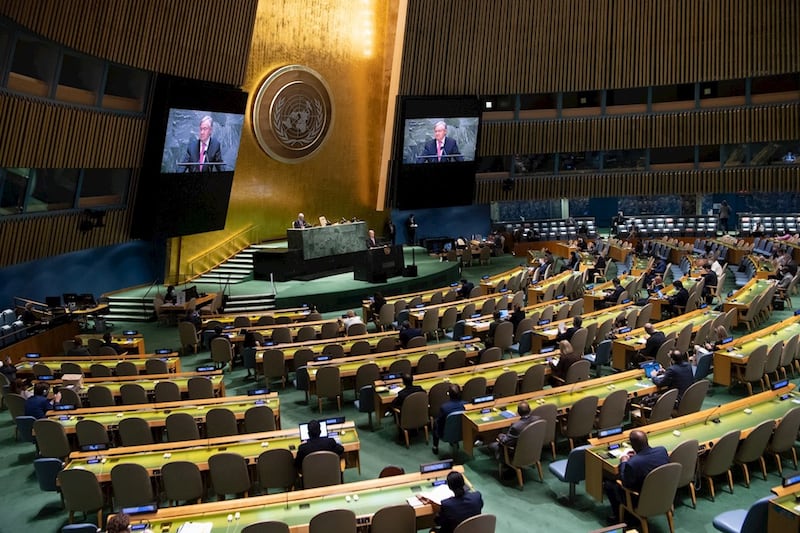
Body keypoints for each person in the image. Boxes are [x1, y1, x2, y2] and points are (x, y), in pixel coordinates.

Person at [602, 430, 669, 523]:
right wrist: (637, 456)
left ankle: (620, 517)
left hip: (642, 501)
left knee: (609, 485)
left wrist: (624, 462)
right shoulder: (662, 450)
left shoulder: (633, 463)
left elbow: (625, 482)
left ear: (632, 445)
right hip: (665, 495)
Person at [432, 384, 467, 455]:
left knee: (435, 422)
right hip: (464, 433)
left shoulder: (444, 407)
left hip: (446, 435)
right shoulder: (466, 405)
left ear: (449, 394)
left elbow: (440, 423)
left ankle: (435, 446)